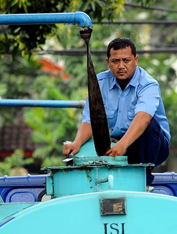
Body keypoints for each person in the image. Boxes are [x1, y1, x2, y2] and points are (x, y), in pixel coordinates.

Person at [63, 37, 170, 178]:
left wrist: (123, 145)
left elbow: (143, 119)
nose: (121, 66)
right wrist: (76, 142)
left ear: (136, 60)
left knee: (149, 125)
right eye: (115, 61)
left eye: (126, 60)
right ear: (108, 62)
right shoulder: (100, 83)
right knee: (78, 152)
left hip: (154, 146)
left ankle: (145, 181)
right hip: (118, 142)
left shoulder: (148, 84)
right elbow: (90, 120)